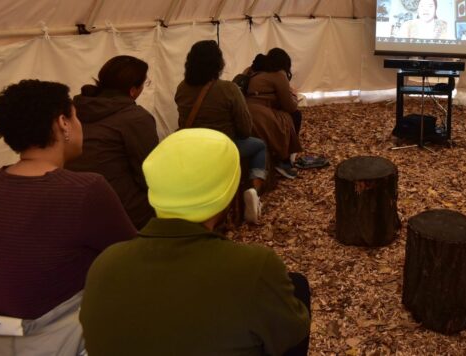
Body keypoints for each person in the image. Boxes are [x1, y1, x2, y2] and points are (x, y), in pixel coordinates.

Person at [80, 128, 311, 356]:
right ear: (227, 194)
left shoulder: (104, 265)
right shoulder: (254, 268)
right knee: (296, 288)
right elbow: (292, 332)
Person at [0, 80, 136, 355]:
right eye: (75, 116)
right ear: (63, 123)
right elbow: (133, 259)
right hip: (55, 340)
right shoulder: (85, 189)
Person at [176, 40, 267, 223]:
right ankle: (254, 193)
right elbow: (245, 129)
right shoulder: (228, 89)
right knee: (260, 146)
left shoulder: (182, 88)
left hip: (191, 146)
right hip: (222, 148)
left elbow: (182, 121)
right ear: (218, 64)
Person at [66, 55, 159, 229]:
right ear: (133, 90)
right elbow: (149, 174)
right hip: (121, 210)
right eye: (144, 84)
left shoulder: (75, 110)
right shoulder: (135, 118)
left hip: (73, 204)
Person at [240, 48, 304, 179]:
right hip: (260, 116)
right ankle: (284, 160)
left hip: (242, 112)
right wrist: (294, 95)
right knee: (294, 115)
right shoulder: (279, 74)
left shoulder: (250, 70)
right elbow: (290, 106)